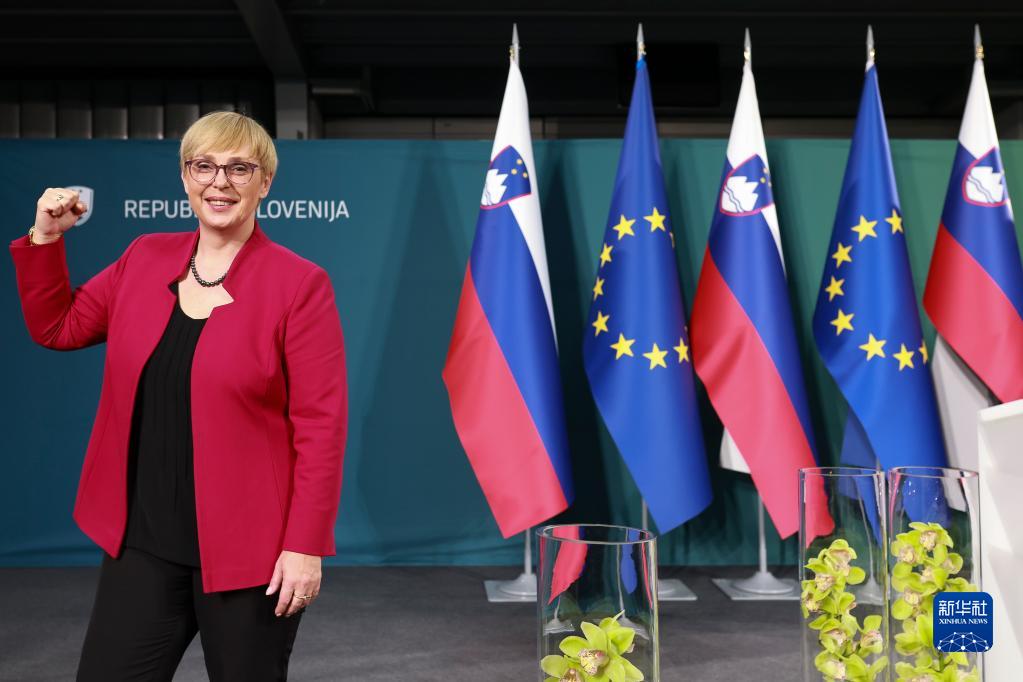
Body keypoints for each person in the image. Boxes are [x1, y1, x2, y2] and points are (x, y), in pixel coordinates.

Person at [9, 111, 348, 681]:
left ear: (265, 182)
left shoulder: (298, 284)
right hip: (143, 541)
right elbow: (57, 327)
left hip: (251, 553)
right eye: (204, 166)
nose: (220, 182)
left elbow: (321, 427)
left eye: (239, 169)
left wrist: (304, 545)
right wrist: (45, 237)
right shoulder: (143, 257)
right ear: (185, 177)